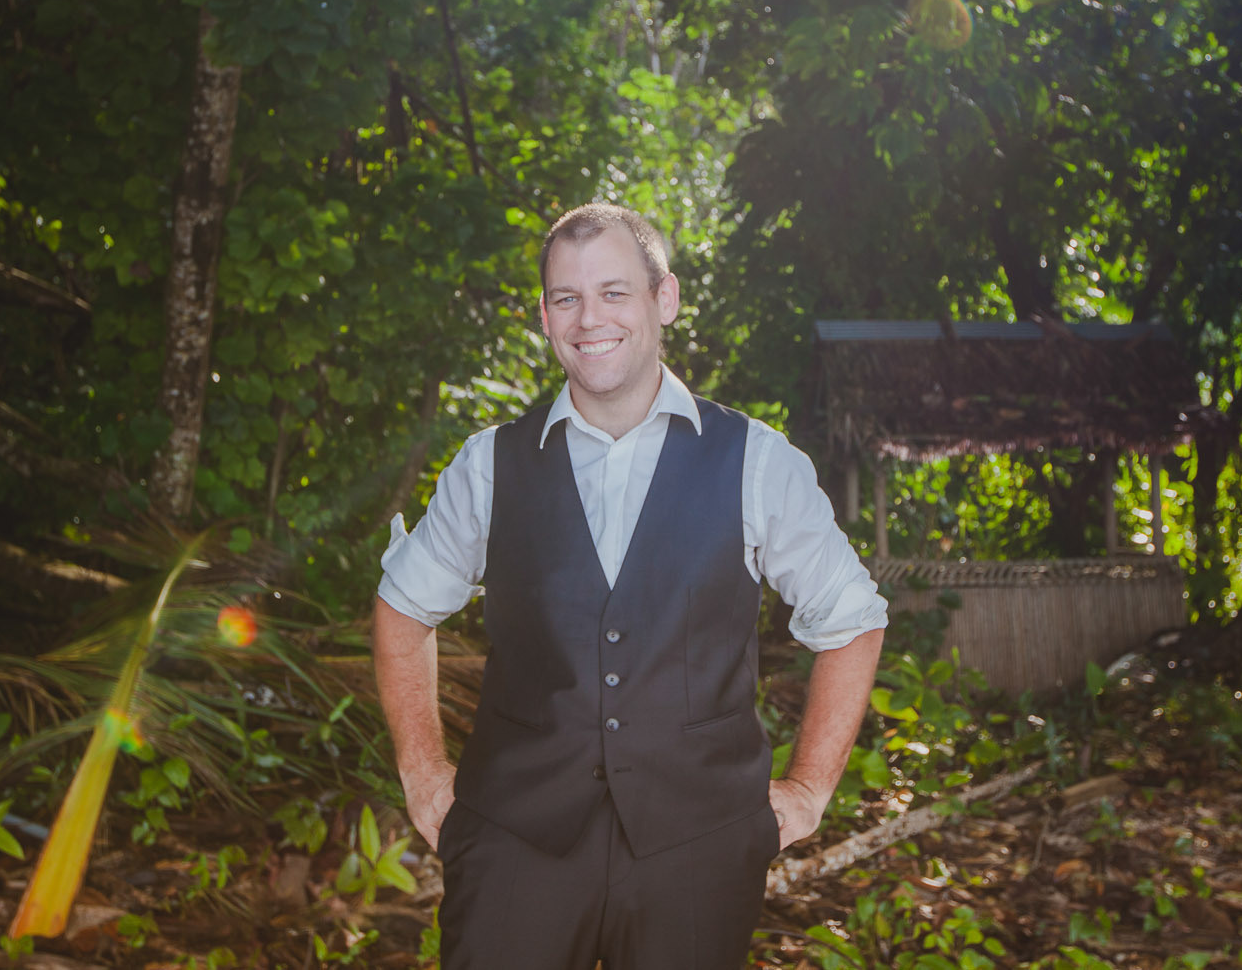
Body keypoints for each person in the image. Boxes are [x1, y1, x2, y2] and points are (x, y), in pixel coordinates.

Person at [372, 202, 886, 970]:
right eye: (567, 298)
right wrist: (422, 776)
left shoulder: (754, 460)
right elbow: (402, 610)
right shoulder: (490, 465)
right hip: (515, 843)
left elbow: (851, 617)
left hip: (697, 853)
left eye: (614, 291)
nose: (589, 318)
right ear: (545, 316)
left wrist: (809, 788)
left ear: (664, 298)